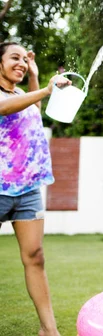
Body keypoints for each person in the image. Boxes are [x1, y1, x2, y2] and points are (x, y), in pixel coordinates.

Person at [0, 42, 71, 336]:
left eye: (24, 59)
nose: (21, 62)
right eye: (13, 58)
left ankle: (49, 330)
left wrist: (35, 76)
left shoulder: (22, 94)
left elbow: (32, 109)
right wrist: (45, 89)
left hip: (28, 190)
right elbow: (4, 108)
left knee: (35, 257)